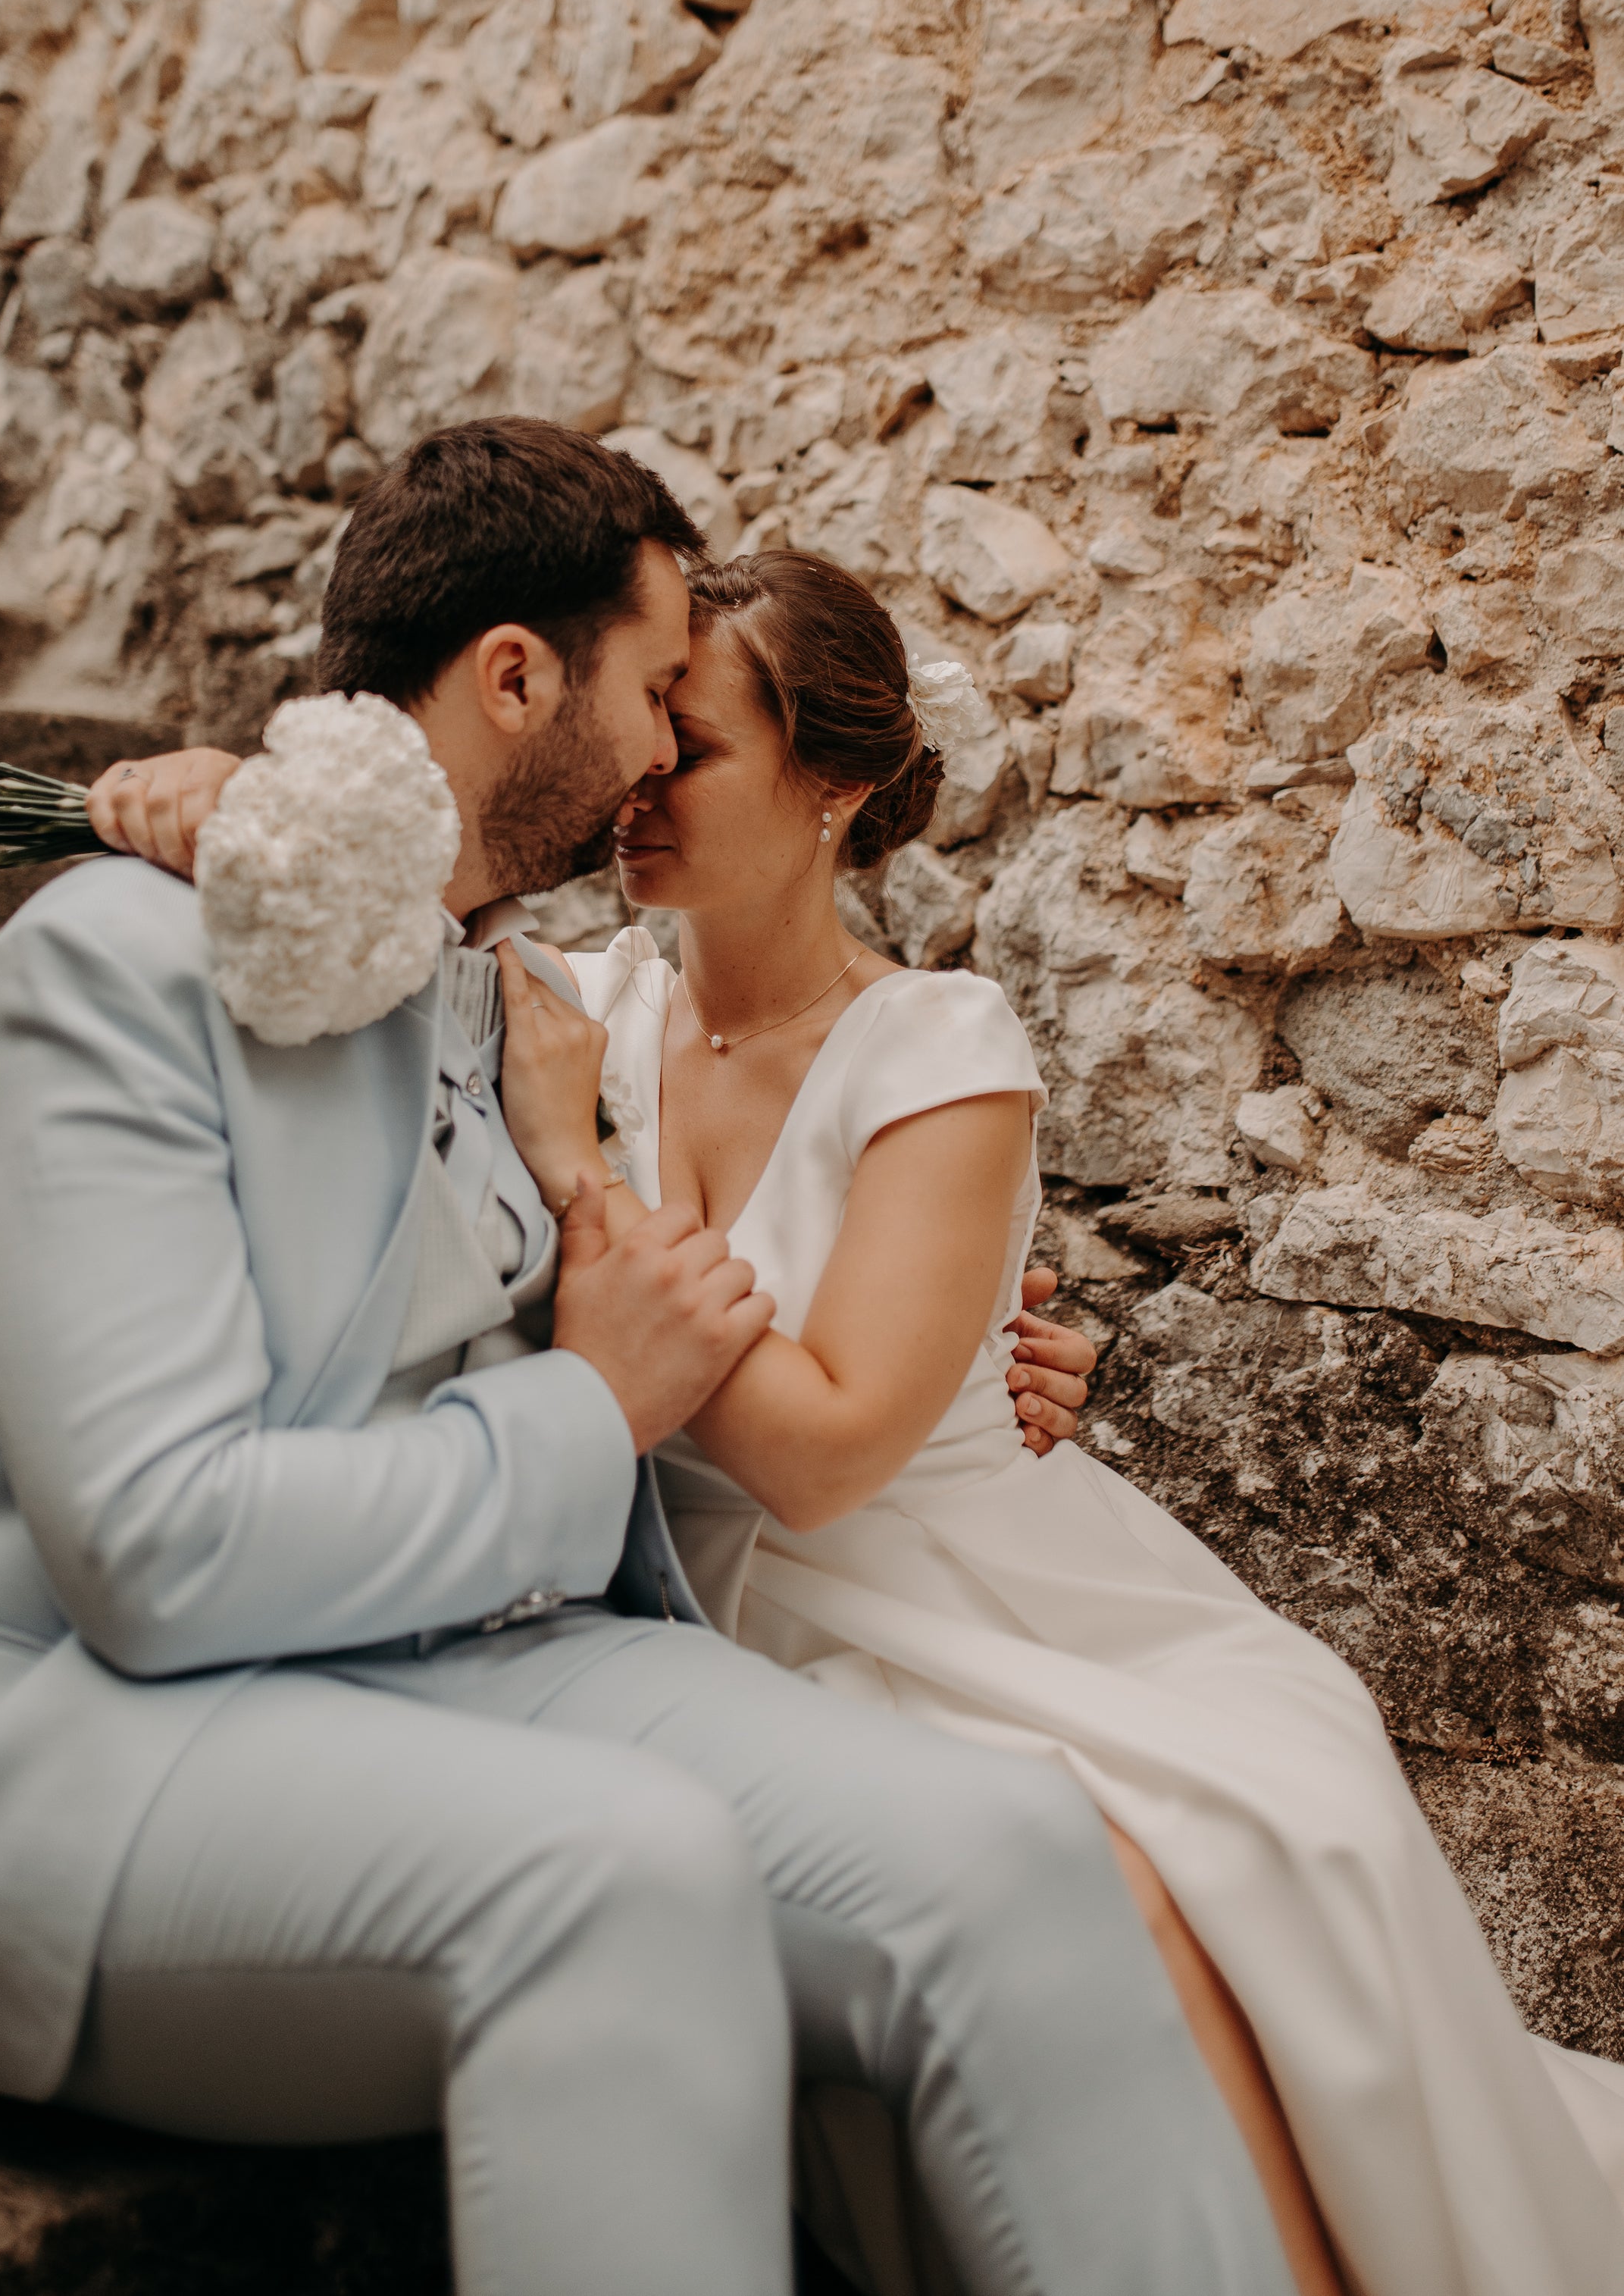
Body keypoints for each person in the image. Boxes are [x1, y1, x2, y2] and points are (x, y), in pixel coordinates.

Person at [0, 423, 1298, 2296]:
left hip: (468, 1654)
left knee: (1011, 1849)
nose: (667, 750)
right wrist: (591, 1404)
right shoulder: (105, 966)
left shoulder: (532, 1003)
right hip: (67, 1723)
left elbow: (772, 1237)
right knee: (623, 1876)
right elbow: (158, 1551)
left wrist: (992, 1332)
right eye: (659, 689)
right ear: (517, 677)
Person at [107, 529, 1624, 2296]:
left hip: (971, 1600)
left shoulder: (934, 1042)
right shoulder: (579, 1001)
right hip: (687, 1625)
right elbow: (379, 914)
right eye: (646, 723)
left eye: (697, 741)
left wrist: (575, 1170)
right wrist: (229, 796)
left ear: (831, 785)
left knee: (1206, 1872)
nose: (639, 776)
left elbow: (825, 1458)